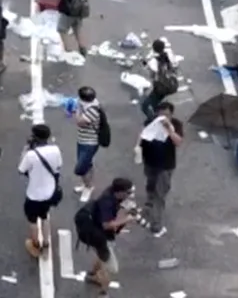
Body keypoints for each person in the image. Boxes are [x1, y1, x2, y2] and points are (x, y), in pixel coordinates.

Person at [74, 177, 136, 294]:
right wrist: (126, 219)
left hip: (97, 234)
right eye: (128, 193)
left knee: (101, 255)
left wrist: (124, 209)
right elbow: (107, 225)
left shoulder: (112, 194)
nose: (130, 195)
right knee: (111, 268)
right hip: (100, 236)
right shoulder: (106, 203)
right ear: (120, 192)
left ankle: (92, 275)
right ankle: (103, 293)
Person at [137, 102, 183, 237]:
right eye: (160, 114)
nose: (163, 117)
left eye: (166, 114)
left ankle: (156, 223)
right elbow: (142, 135)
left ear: (171, 115)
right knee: (150, 186)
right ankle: (148, 205)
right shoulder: (150, 122)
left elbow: (178, 142)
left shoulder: (176, 124)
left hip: (165, 166)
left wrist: (169, 129)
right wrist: (137, 147)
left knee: (160, 193)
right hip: (150, 162)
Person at [18, 123, 63, 258]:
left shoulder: (31, 155)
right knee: (44, 215)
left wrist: (25, 150)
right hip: (50, 192)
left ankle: (35, 243)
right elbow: (58, 166)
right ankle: (47, 241)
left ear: (34, 137)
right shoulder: (55, 150)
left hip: (34, 193)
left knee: (32, 219)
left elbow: (21, 169)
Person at [73, 86, 105, 202]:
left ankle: (89, 187)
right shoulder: (88, 104)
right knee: (88, 164)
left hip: (90, 143)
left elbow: (80, 122)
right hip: (82, 140)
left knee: (81, 168)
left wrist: (77, 110)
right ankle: (86, 184)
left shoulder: (93, 109)